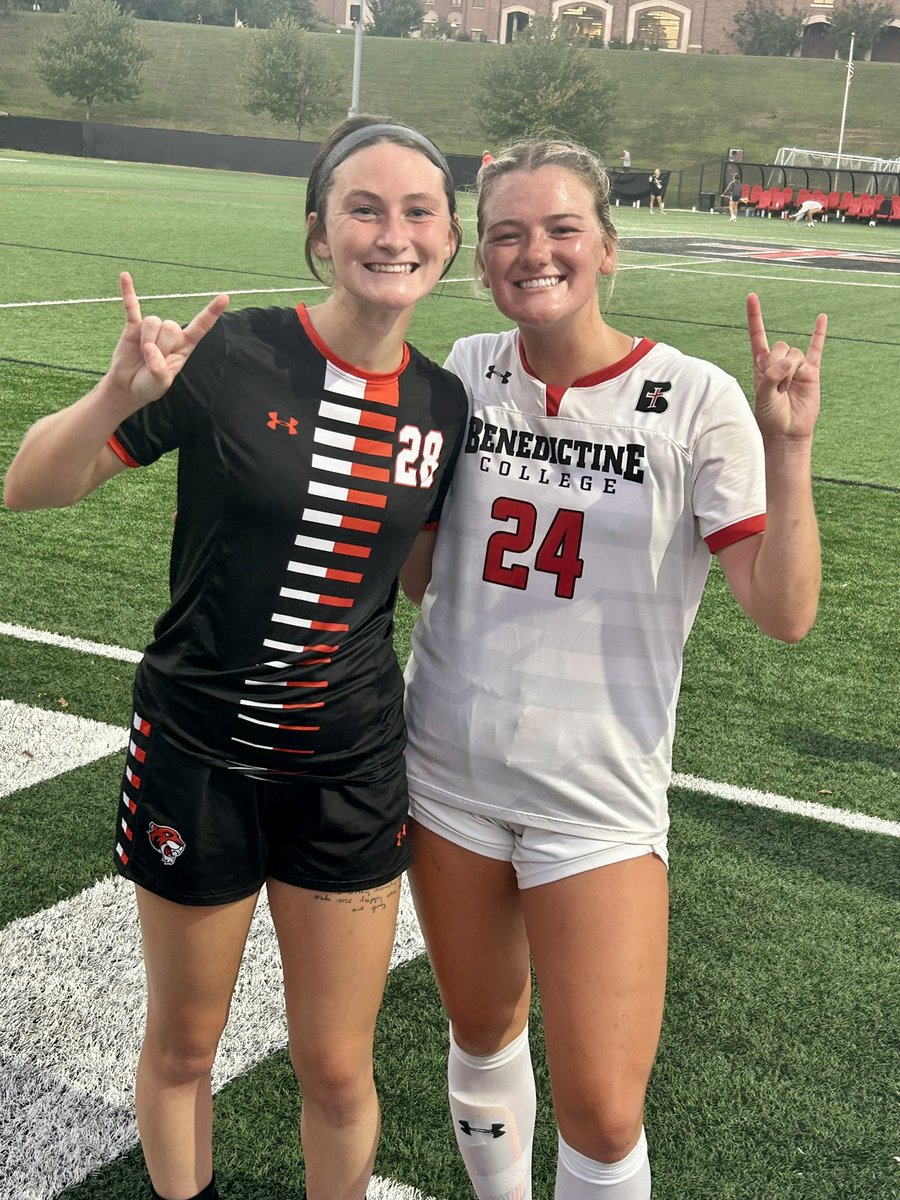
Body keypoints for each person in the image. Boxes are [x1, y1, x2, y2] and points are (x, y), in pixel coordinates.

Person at [3, 115, 467, 1200]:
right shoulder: (230, 350)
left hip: (347, 773)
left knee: (338, 1066)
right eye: (363, 207)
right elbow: (29, 483)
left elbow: (426, 580)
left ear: (449, 239)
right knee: (184, 1048)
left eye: (417, 212)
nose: (390, 234)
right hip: (198, 757)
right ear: (319, 232)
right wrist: (118, 393)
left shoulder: (446, 406)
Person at [400, 138, 825, 1200]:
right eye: (505, 233)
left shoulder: (697, 397)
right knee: (484, 1031)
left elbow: (783, 611)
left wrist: (789, 449)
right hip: (446, 773)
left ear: (607, 247)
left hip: (597, 797)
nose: (533, 252)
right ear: (480, 254)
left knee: (602, 1107)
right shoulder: (458, 371)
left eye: (560, 230)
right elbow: (413, 580)